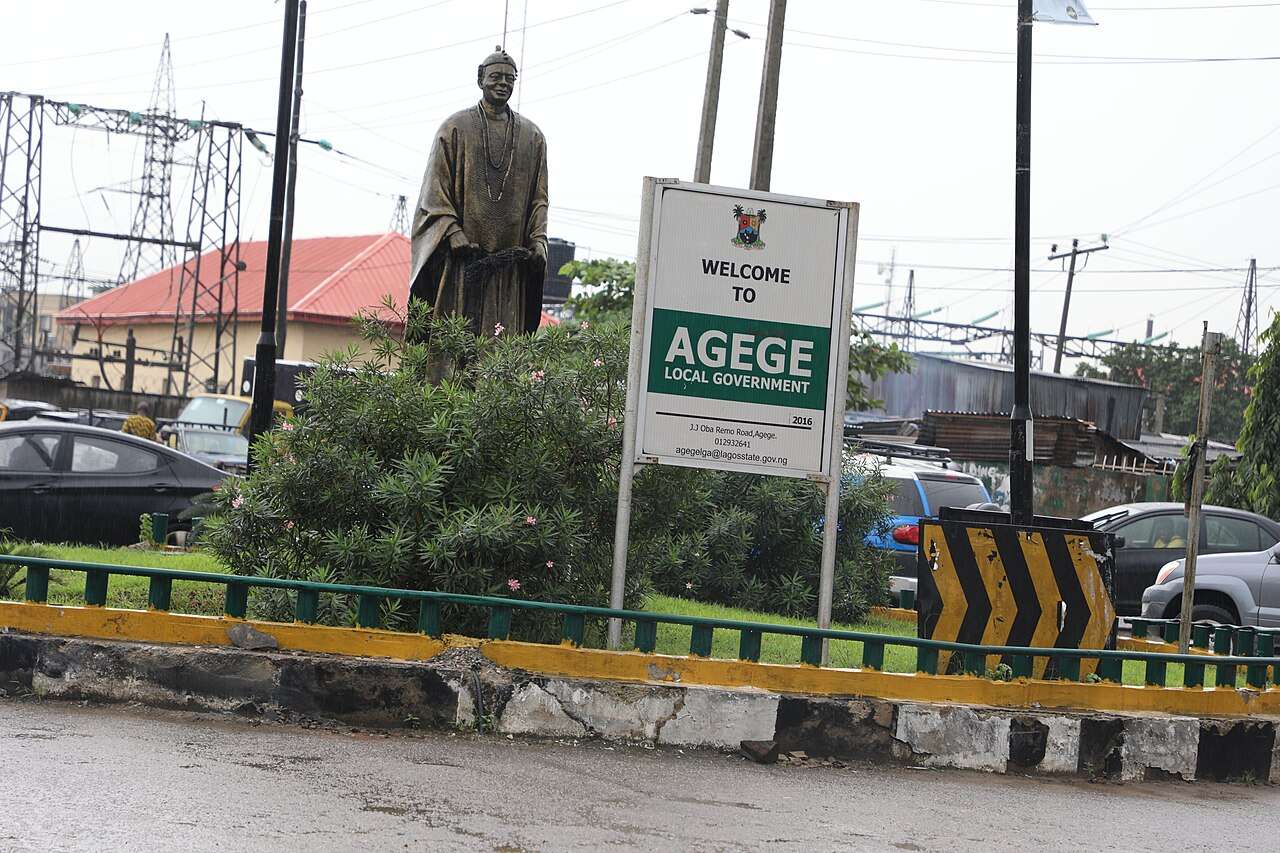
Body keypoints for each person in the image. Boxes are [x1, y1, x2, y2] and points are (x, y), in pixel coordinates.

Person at [408, 46, 548, 336]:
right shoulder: (455, 127)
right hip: (462, 261)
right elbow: (433, 192)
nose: (503, 83)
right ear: (480, 79)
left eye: (509, 78)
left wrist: (538, 240)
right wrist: (451, 231)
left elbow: (539, 199)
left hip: (509, 267)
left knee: (502, 345)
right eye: (495, 76)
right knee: (454, 341)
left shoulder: (532, 136)